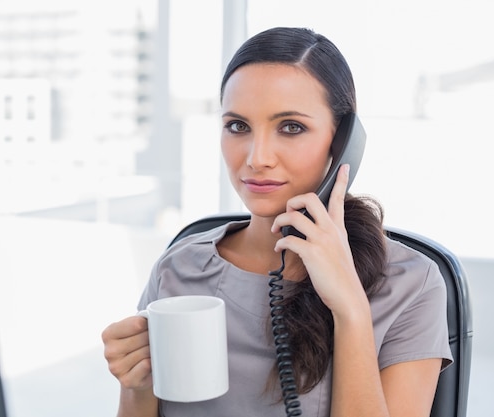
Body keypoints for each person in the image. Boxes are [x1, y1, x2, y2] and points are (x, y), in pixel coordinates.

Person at [102, 26, 452, 417]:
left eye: (291, 127)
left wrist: (351, 309)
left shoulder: (410, 283)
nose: (257, 157)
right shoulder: (178, 269)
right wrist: (136, 385)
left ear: (343, 144)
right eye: (238, 126)